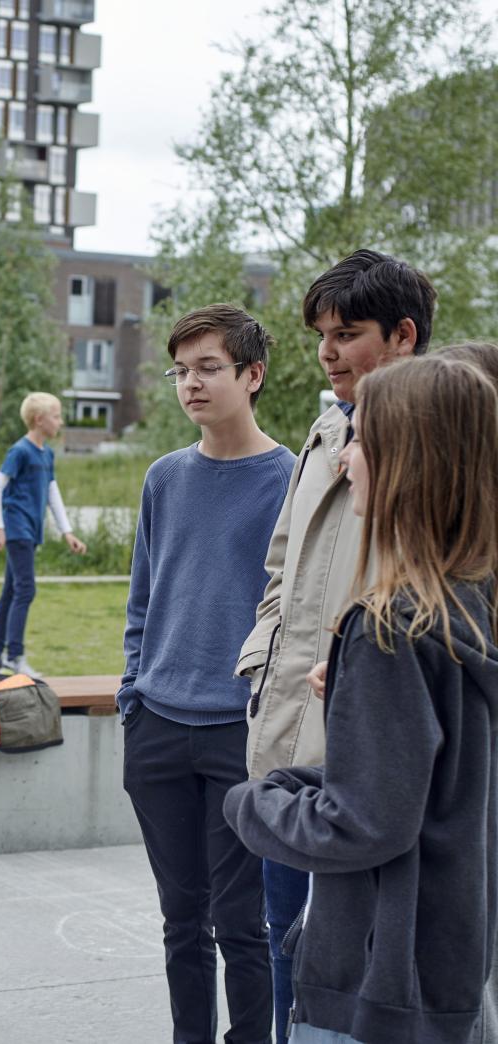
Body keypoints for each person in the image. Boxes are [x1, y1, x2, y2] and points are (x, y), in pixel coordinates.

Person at [226, 355, 498, 1044]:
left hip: (373, 989)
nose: (346, 459)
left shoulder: (389, 629)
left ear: (409, 463)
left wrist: (252, 801)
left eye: (362, 440)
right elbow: (430, 786)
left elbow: (364, 824)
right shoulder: (471, 609)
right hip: (449, 975)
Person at [233, 249, 436, 1042]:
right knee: (284, 943)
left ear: (403, 336)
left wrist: (362, 672)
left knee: (360, 966)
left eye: (346, 334)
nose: (326, 352)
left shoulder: (443, 441)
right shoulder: (324, 433)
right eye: (321, 334)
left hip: (371, 755)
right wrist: (262, 660)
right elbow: (279, 569)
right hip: (286, 733)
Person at [118, 305, 290, 1044]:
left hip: (238, 732)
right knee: (179, 920)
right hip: (157, 725)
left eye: (209, 368)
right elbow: (143, 596)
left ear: (252, 376)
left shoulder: (290, 479)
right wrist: (133, 692)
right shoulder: (165, 477)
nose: (191, 383)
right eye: (181, 370)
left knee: (242, 922)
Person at [0, 391, 86, 678]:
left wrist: (67, 532)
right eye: (56, 416)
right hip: (18, 528)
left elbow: (52, 492)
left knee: (11, 591)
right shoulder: (20, 451)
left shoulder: (46, 453)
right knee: (26, 589)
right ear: (39, 420)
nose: (60, 422)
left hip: (30, 530)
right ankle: (14, 657)